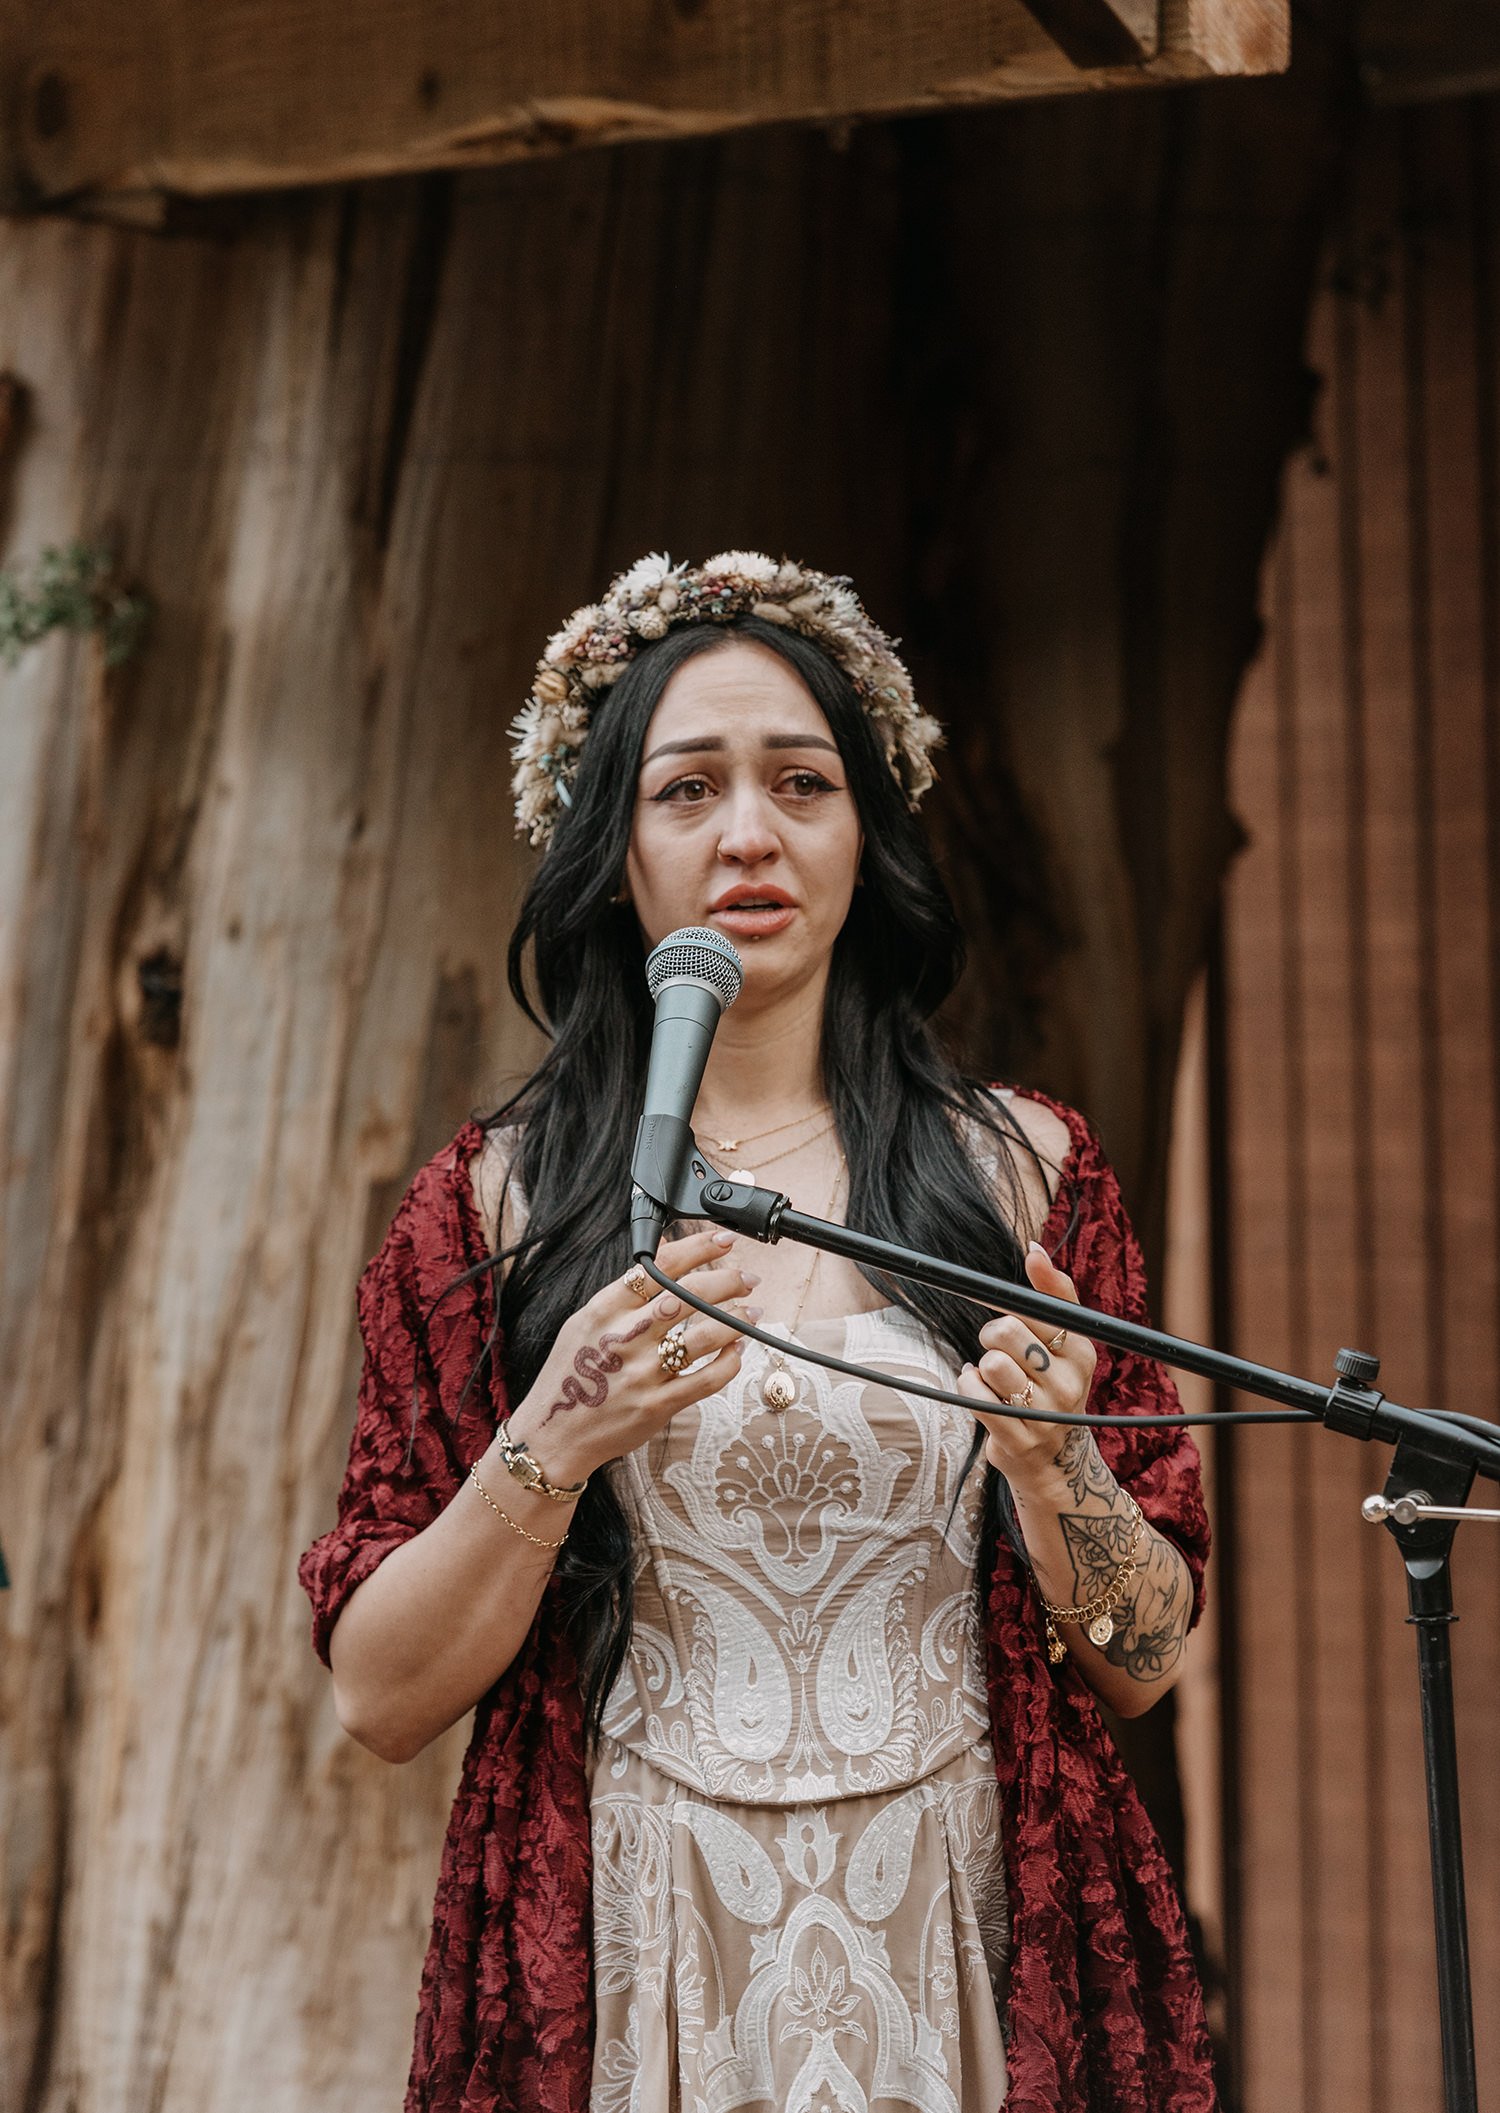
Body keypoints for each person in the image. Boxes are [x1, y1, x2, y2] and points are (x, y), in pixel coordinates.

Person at [299, 551, 1216, 2113]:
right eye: (687, 788)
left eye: (803, 782)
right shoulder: (490, 1212)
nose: (750, 831)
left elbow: (1151, 1656)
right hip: (652, 1928)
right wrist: (555, 1435)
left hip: (962, 1914)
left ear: (866, 832)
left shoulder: (1023, 1172)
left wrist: (1061, 1466)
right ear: (610, 851)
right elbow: (378, 1699)